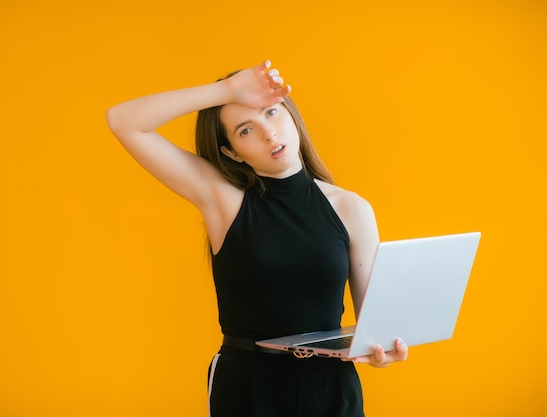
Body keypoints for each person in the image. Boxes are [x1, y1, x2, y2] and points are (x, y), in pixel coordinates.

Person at [106, 60, 408, 417]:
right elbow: (123, 122)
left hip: (331, 386)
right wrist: (227, 91)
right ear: (231, 152)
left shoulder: (352, 208)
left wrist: (383, 352)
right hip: (248, 385)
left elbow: (374, 330)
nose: (269, 133)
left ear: (291, 114)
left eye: (272, 112)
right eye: (245, 130)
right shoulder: (224, 199)